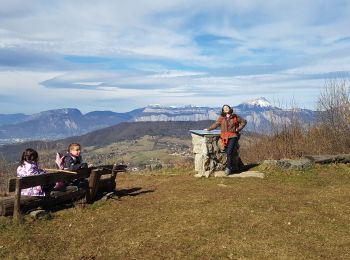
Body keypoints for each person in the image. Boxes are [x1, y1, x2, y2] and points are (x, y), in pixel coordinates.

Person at [206, 104, 247, 175]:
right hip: (224, 137)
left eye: (227, 107)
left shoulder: (235, 116)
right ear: (223, 110)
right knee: (228, 152)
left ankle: (228, 168)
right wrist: (208, 129)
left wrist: (238, 129)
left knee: (229, 152)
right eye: (224, 108)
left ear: (229, 108)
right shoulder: (221, 118)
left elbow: (244, 122)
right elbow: (216, 124)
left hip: (233, 136)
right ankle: (233, 166)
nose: (226, 109)